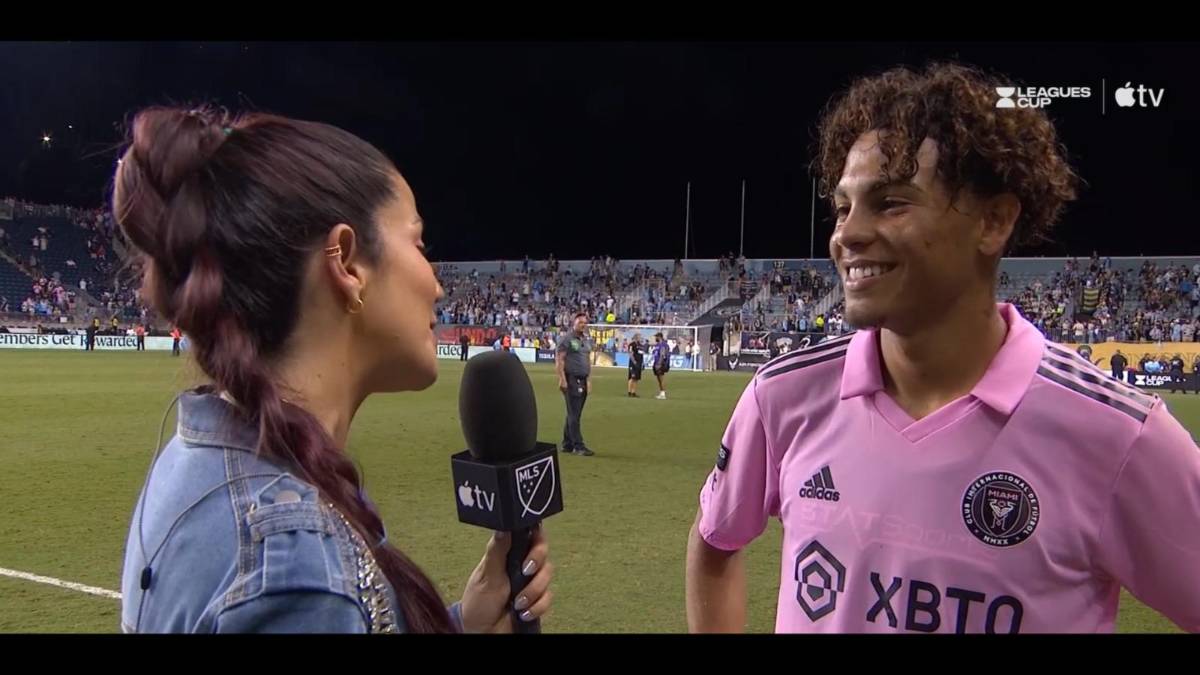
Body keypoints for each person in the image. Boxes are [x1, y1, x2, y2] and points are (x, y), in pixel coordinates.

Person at [686, 63, 1200, 634]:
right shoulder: (783, 395)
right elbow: (714, 542)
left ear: (994, 221)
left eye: (891, 203)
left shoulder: (1118, 436)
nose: (846, 234)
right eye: (843, 207)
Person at [114, 107, 553, 633]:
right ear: (346, 262)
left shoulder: (211, 460)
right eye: (418, 243)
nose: (437, 285)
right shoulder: (294, 570)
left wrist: (462, 626)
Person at [556, 312, 594, 456]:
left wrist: (588, 380)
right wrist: (562, 379)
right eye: (580, 322)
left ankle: (567, 444)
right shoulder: (567, 339)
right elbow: (560, 360)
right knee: (574, 414)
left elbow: (588, 360)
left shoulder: (586, 340)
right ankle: (578, 446)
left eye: (585, 322)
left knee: (574, 413)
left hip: (583, 379)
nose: (583, 325)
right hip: (571, 379)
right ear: (574, 323)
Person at [651, 332, 670, 400]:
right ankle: (661, 392)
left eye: (656, 337)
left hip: (661, 363)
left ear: (659, 337)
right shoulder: (657, 345)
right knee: (659, 379)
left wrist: (659, 363)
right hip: (656, 362)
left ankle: (663, 393)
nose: (655, 338)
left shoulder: (663, 345)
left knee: (661, 378)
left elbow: (662, 354)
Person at [627, 334, 644, 398]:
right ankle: (629, 392)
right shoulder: (631, 345)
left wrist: (642, 363)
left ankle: (633, 392)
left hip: (639, 363)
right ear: (636, 338)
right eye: (639, 337)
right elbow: (630, 353)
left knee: (636, 378)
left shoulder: (641, 346)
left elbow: (642, 355)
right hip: (633, 363)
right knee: (632, 377)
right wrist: (634, 361)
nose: (640, 338)